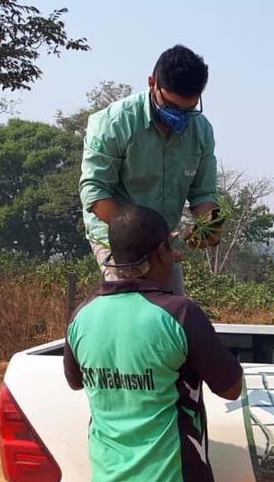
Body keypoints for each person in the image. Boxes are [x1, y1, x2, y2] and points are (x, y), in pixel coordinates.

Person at [63, 205, 243, 482]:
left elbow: (76, 380)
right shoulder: (180, 314)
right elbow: (231, 387)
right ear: (162, 252)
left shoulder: (83, 317)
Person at [79, 44, 223, 296]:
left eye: (188, 109)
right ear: (152, 83)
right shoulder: (114, 123)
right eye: (171, 106)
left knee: (171, 307)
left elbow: (204, 195)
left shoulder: (201, 130)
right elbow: (95, 192)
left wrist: (210, 226)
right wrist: (141, 236)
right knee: (132, 307)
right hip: (117, 238)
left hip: (163, 242)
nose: (180, 116)